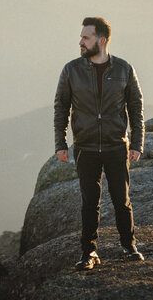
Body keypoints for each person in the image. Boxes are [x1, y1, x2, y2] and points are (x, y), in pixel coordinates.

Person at [53, 16, 145, 270]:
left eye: (86, 37)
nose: (80, 41)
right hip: (86, 146)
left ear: (101, 40)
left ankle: (129, 246)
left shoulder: (124, 69)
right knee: (89, 202)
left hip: (117, 145)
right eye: (81, 37)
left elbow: (136, 108)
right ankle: (89, 253)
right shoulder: (71, 70)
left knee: (121, 200)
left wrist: (137, 143)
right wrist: (60, 143)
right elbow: (61, 107)